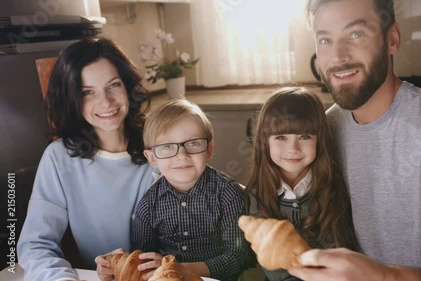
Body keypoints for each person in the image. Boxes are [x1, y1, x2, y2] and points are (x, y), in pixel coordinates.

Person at [289, 0, 421, 280]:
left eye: (356, 34)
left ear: (392, 40)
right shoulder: (327, 128)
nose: (338, 56)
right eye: (325, 39)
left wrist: (388, 276)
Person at [16, 37, 156, 281]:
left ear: (128, 86)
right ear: (71, 98)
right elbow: (36, 245)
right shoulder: (59, 158)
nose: (105, 102)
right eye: (87, 92)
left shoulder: (160, 145)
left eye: (113, 85)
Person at [120, 100, 248, 281]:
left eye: (193, 143)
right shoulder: (148, 205)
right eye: (167, 147)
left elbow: (239, 257)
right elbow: (144, 260)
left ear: (209, 149)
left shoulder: (228, 194)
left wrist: (181, 269)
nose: (182, 155)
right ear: (152, 158)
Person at [245, 87, 357, 281]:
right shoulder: (258, 193)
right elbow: (270, 261)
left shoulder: (330, 186)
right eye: (281, 137)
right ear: (265, 142)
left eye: (304, 137)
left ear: (319, 140)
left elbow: (338, 246)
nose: (293, 148)